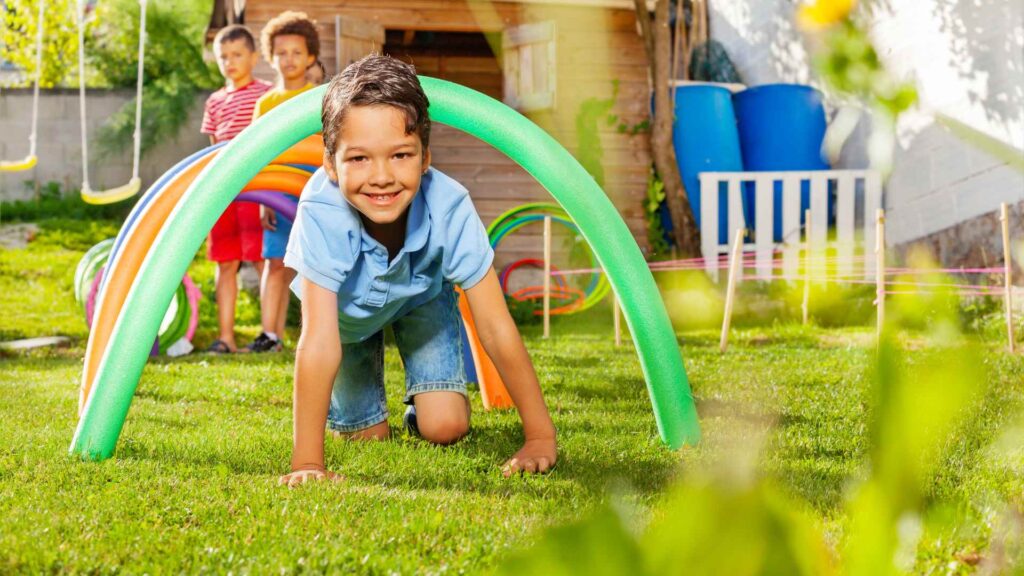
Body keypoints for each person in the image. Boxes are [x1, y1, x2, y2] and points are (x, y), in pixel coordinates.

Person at [278, 55, 558, 486]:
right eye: (359, 159)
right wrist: (307, 463)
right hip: (345, 322)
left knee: (445, 428)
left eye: (400, 154)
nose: (382, 177)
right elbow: (317, 342)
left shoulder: (449, 205)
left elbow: (496, 327)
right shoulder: (321, 211)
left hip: (419, 299)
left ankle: (425, 404)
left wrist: (539, 437)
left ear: (425, 156)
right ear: (330, 163)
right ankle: (360, 414)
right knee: (366, 437)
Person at [244, 11, 321, 353]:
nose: (289, 59)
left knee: (313, 266)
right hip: (277, 195)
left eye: (296, 52)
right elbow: (259, 154)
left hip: (313, 195)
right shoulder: (266, 103)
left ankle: (315, 333)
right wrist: (264, 200)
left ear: (311, 57)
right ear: (271, 58)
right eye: (282, 52)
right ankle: (269, 334)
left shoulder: (319, 99)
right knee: (275, 263)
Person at [201, 24, 272, 354]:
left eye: (237, 55)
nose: (229, 62)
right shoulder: (215, 101)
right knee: (226, 263)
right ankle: (226, 337)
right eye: (223, 57)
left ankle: (266, 334)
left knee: (262, 260)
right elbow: (213, 149)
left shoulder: (266, 94)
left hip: (258, 189)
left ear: (254, 57)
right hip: (225, 192)